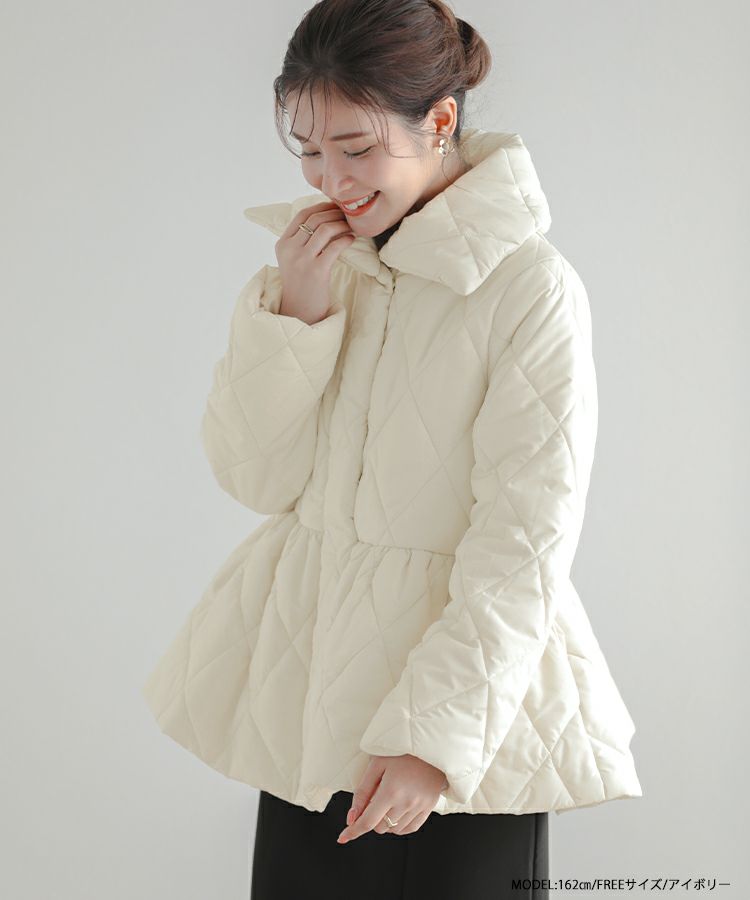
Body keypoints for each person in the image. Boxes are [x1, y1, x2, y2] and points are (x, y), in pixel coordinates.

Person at [141, 0, 643, 897]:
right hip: (306, 702)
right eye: (309, 149)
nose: (330, 178)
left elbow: (524, 542)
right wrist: (298, 314)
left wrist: (430, 740)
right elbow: (254, 479)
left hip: (457, 734)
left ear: (439, 121)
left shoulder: (530, 288)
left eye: (355, 147)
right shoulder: (323, 265)